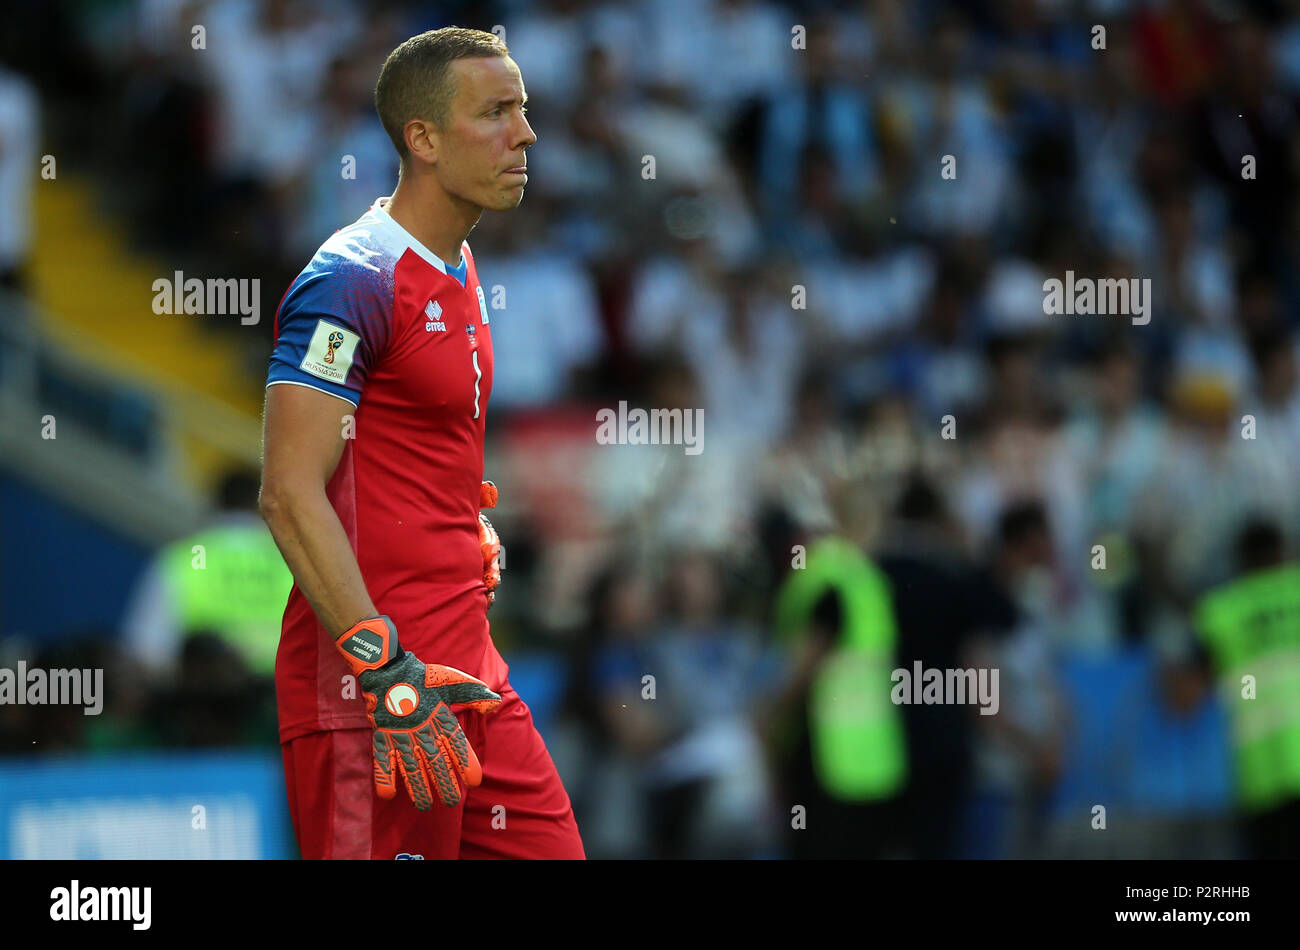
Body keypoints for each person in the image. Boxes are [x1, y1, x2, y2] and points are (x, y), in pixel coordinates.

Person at [260, 27, 584, 859]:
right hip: (377, 697)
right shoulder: (350, 280)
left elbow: (396, 454)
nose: (526, 134)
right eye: (497, 112)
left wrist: (456, 523)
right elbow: (289, 493)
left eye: (524, 109)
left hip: (471, 677)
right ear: (425, 139)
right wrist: (382, 671)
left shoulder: (461, 266)